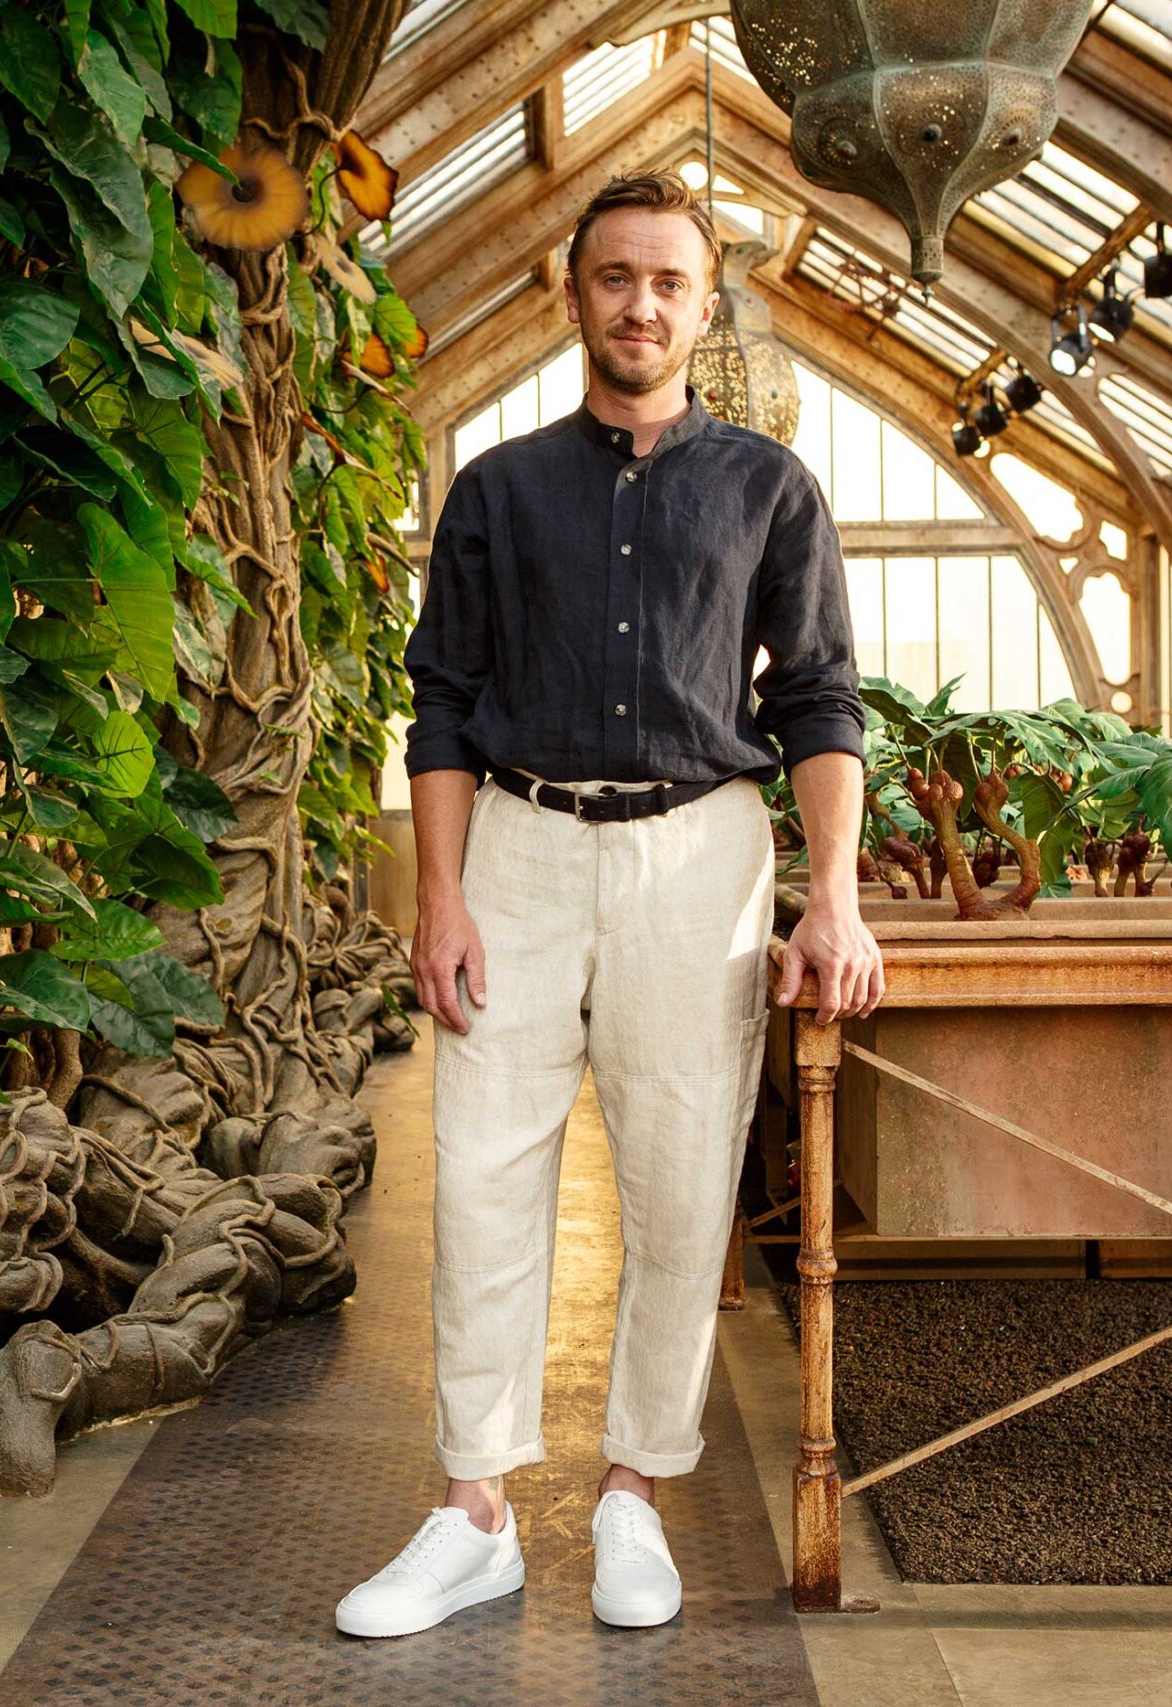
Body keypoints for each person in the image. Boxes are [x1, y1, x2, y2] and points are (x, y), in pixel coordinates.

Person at [334, 169, 885, 1640]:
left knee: (683, 1181)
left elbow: (821, 701)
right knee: (482, 1177)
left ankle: (636, 1492)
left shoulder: (770, 490)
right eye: (615, 277)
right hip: (517, 848)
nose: (641, 304)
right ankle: (474, 1514)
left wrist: (831, 901)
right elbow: (440, 703)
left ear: (706, 311)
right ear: (571, 294)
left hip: (699, 858)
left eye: (669, 283)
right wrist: (440, 897)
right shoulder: (499, 491)